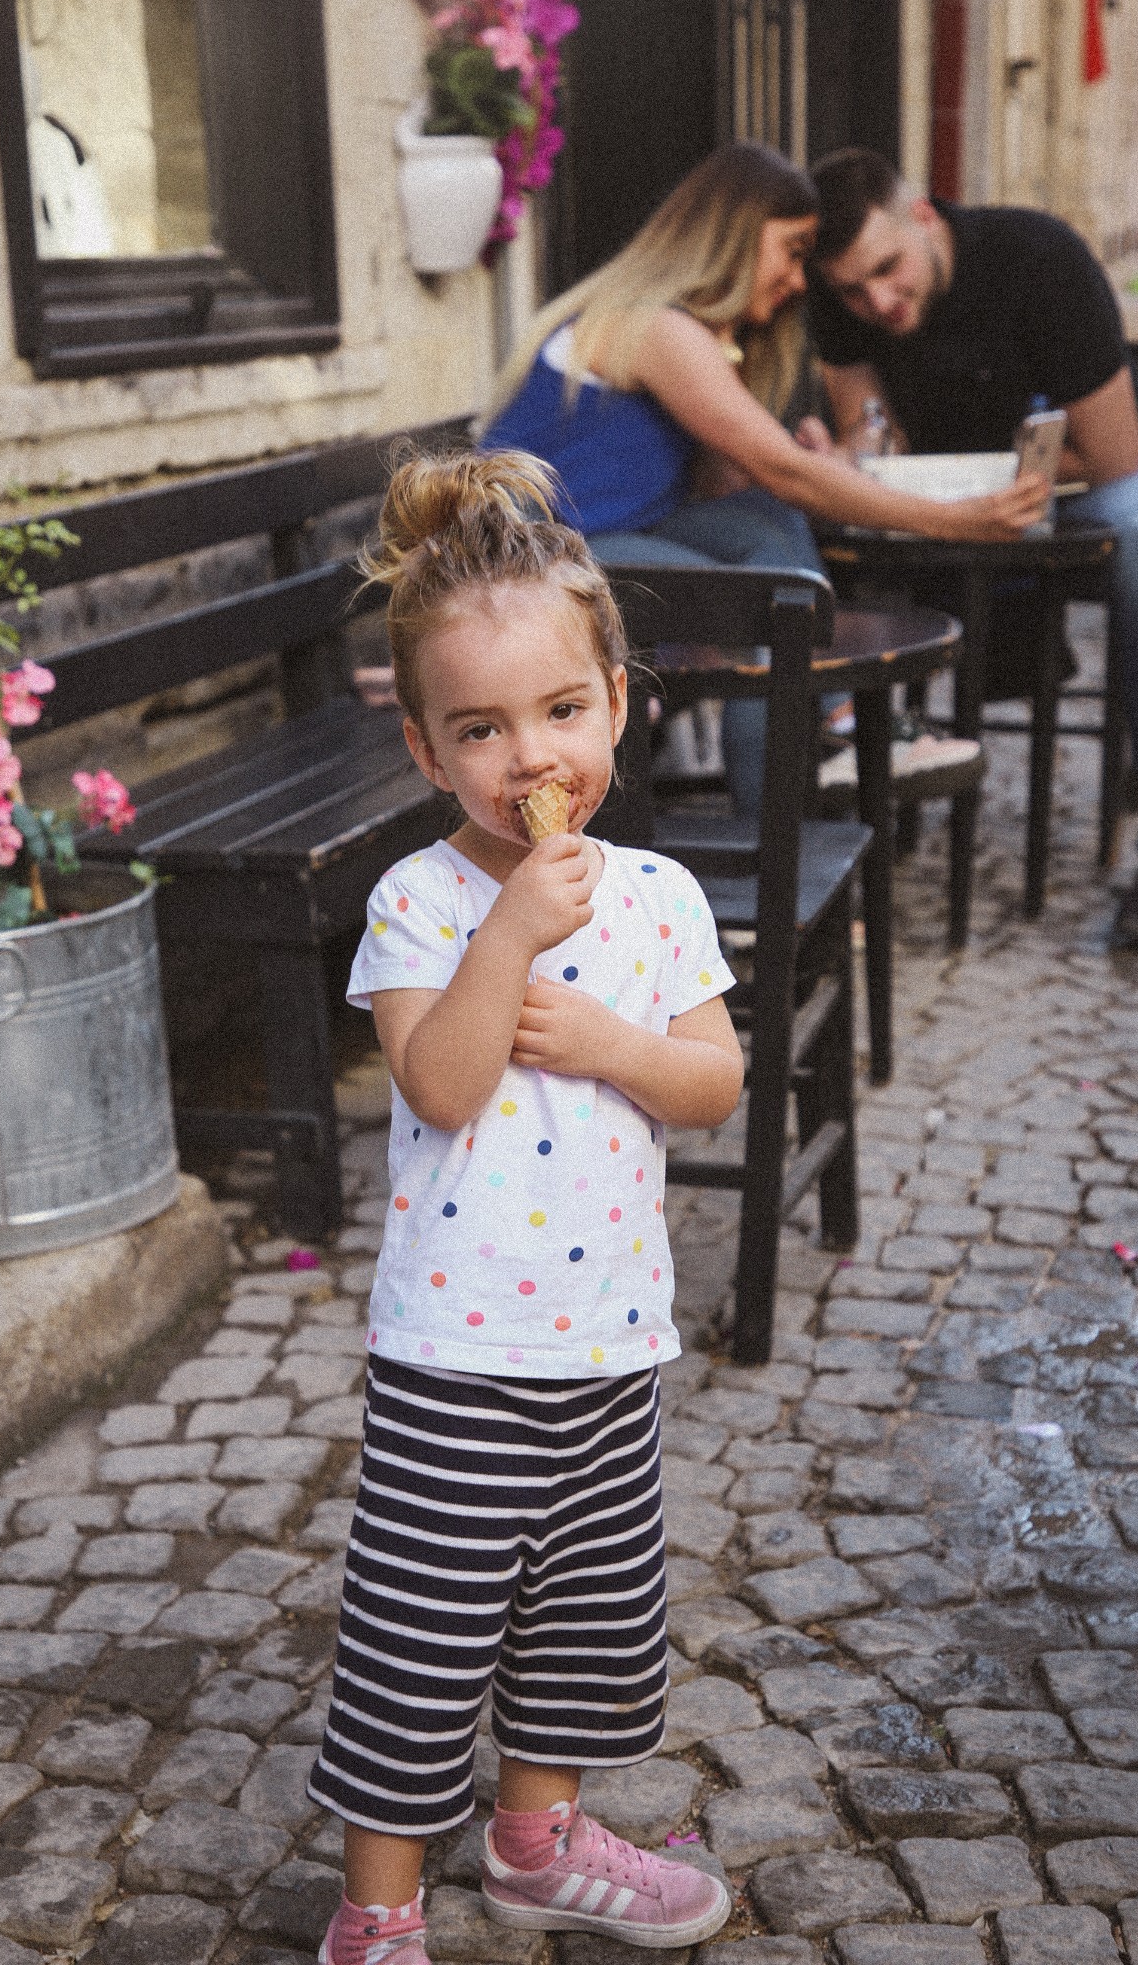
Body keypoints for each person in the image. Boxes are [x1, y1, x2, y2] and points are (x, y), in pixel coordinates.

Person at [309, 447, 746, 1965]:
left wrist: (619, 1044)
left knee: (578, 1622)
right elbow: (436, 1079)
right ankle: (377, 1913)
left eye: (561, 711)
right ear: (429, 754)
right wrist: (508, 937)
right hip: (456, 1359)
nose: (527, 756)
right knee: (418, 1642)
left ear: (618, 701)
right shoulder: (422, 902)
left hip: (607, 1345)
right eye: (480, 729)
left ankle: (539, 1837)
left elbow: (711, 1083)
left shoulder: (663, 900)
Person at [481, 140, 1047, 818]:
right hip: (530, 563)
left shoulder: (685, 332)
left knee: (766, 526)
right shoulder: (656, 327)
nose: (800, 279)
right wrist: (959, 519)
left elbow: (742, 480)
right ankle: (772, 845)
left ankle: (829, 736)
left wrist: (799, 461)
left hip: (602, 534)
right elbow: (785, 472)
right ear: (736, 236)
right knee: (760, 596)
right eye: (794, 250)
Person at [806, 148, 1138, 951]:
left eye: (889, 270)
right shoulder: (844, 300)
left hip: (1084, 480)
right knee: (816, 533)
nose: (878, 301)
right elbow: (868, 440)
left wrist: (974, 487)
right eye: (854, 290)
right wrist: (848, 459)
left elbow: (1115, 455)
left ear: (923, 215)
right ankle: (856, 788)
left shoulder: (1037, 258)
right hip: (936, 492)